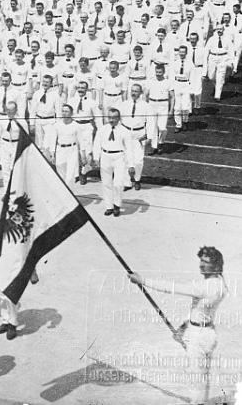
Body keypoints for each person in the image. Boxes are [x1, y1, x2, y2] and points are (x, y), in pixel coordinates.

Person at [128, 246, 227, 405]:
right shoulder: (220, 282)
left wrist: (142, 281)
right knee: (201, 376)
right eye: (201, 260)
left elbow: (171, 288)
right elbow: (201, 308)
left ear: (216, 266)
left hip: (199, 336)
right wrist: (183, 326)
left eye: (206, 262)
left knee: (196, 378)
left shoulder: (207, 286)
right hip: (206, 331)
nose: (201, 265)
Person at [90, 108, 133, 217]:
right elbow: (96, 144)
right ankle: (109, 206)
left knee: (118, 183)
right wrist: (96, 158)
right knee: (106, 183)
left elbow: (129, 149)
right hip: (105, 156)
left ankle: (117, 205)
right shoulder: (102, 129)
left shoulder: (125, 131)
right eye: (109, 117)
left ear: (119, 118)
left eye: (114, 117)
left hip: (119, 157)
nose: (111, 120)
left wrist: (131, 165)